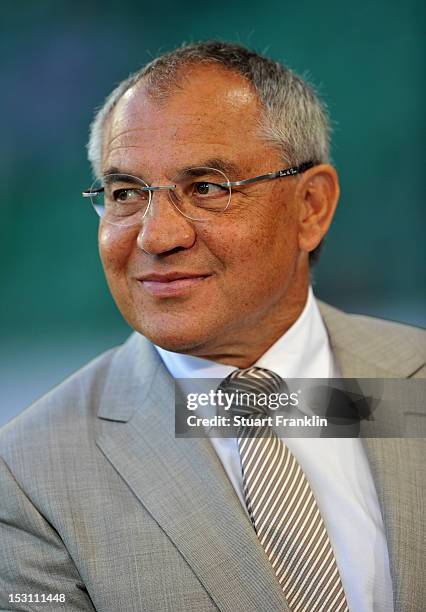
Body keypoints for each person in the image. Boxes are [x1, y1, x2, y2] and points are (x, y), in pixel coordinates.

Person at [0, 41, 424, 612]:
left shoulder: (413, 381)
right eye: (125, 193)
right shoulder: (26, 477)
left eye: (206, 188)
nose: (156, 236)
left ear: (311, 207)